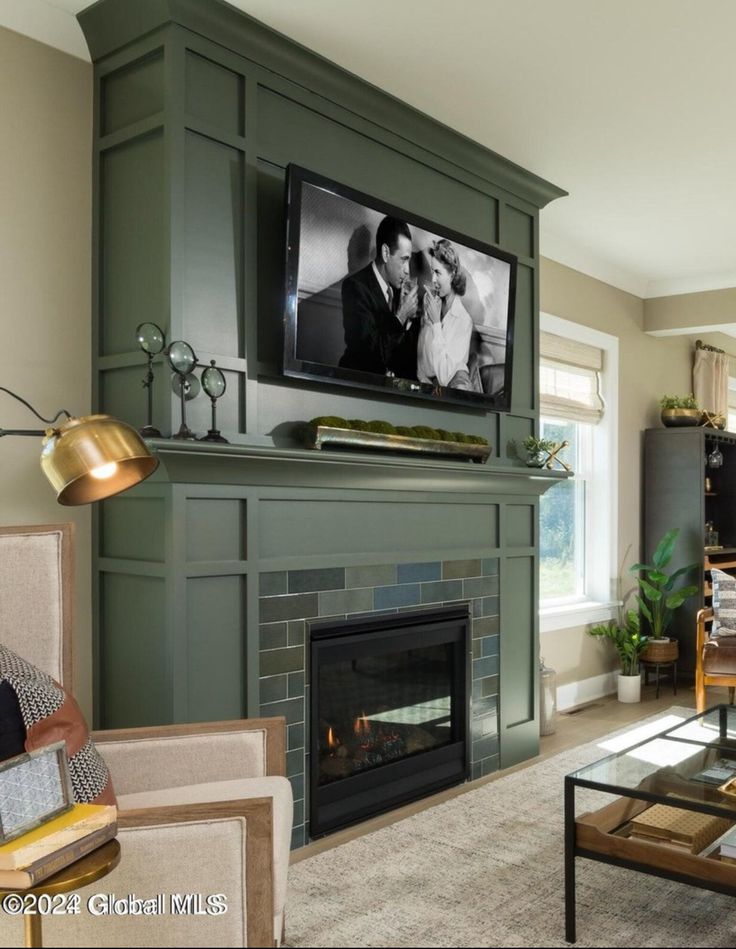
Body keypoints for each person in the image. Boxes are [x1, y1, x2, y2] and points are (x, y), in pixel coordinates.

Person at [339, 216, 419, 379]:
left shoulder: (400, 290)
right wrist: (401, 316)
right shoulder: (355, 287)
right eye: (404, 260)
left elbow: (406, 355)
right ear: (385, 253)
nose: (407, 270)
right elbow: (369, 353)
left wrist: (410, 320)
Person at [417, 239, 473, 390]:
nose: (433, 279)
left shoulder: (463, 321)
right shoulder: (429, 301)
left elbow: (445, 377)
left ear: (452, 275)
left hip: (441, 392)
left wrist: (436, 323)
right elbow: (421, 355)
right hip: (419, 384)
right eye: (431, 271)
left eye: (438, 273)